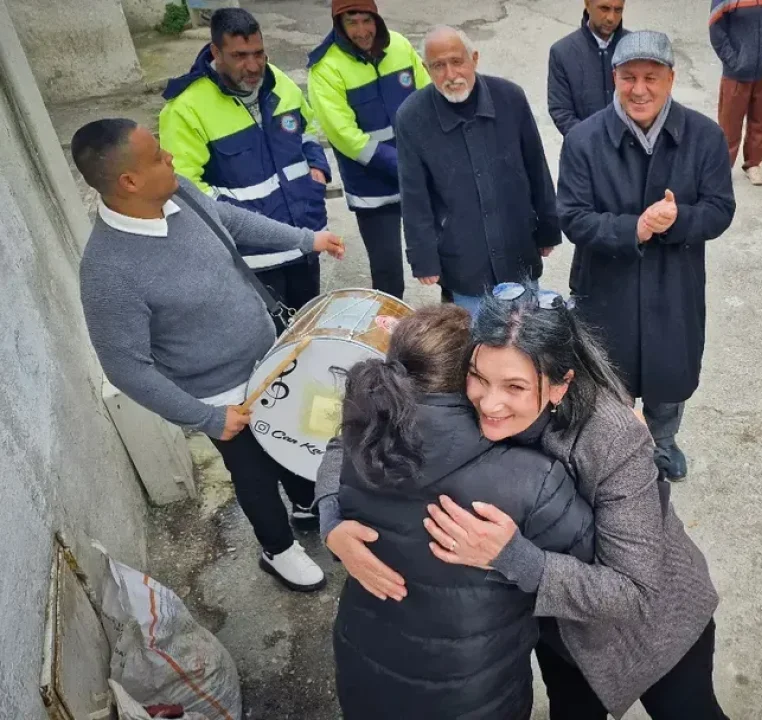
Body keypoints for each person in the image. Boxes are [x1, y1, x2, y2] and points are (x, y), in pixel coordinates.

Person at [319, 282, 727, 720]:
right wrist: (331, 519)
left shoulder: (611, 435)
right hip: (555, 625)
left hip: (651, 628)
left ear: (558, 385)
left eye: (515, 387)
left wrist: (511, 556)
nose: (490, 403)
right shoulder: (470, 385)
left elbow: (635, 592)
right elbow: (354, 435)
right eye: (479, 378)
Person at [72, 119, 345, 592]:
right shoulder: (108, 272)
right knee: (255, 473)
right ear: (129, 182)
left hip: (270, 356)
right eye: (157, 155)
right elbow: (125, 366)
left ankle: (307, 504)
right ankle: (277, 550)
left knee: (302, 433)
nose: (171, 159)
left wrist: (305, 239)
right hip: (220, 396)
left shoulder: (180, 194)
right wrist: (205, 417)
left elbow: (230, 219)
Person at [331, 304, 595, 720]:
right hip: (472, 691)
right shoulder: (533, 479)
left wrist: (331, 523)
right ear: (470, 380)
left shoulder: (364, 430)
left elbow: (332, 454)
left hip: (365, 666)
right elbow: (593, 573)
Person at [557, 30, 736, 481]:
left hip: (674, 283)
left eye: (651, 78)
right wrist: (632, 228)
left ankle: (663, 443)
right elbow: (574, 218)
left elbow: (720, 209)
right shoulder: (583, 140)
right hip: (606, 284)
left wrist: (677, 223)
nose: (639, 89)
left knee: (668, 373)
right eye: (628, 77)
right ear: (614, 78)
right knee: (607, 379)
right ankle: (615, 456)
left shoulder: (705, 136)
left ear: (671, 79)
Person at [159, 8, 331, 327]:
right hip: (255, 260)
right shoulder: (185, 110)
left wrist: (317, 168)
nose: (253, 66)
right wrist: (241, 224)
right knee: (274, 353)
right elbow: (186, 189)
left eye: (258, 53)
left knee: (310, 334)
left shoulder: (279, 83)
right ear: (215, 52)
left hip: (304, 239)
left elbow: (305, 129)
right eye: (239, 56)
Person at [397, 26, 560, 316]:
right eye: (438, 66)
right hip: (464, 260)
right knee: (477, 347)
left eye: (457, 61)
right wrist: (423, 257)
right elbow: (414, 197)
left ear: (474, 58)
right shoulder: (412, 117)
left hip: (518, 247)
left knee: (527, 342)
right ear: (426, 69)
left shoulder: (510, 98)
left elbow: (537, 167)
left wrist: (548, 228)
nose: (450, 74)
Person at [307, 0, 428, 299]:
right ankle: (388, 335)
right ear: (339, 24)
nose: (362, 31)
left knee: (445, 255)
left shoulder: (399, 45)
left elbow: (428, 99)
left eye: (366, 20)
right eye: (352, 22)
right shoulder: (325, 69)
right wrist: (403, 163)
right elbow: (345, 135)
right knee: (387, 273)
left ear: (377, 18)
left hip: (420, 177)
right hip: (372, 188)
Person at [710, 0, 762, 186]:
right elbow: (715, 28)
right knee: (728, 125)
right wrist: (733, 60)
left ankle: (753, 164)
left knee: (760, 121)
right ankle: (721, 169)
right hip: (735, 74)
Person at [548, 0, 629, 137]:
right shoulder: (562, 52)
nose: (611, 18)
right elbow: (561, 111)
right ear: (587, 4)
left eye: (618, 10)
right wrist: (590, 146)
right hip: (584, 153)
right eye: (604, 8)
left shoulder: (635, 49)